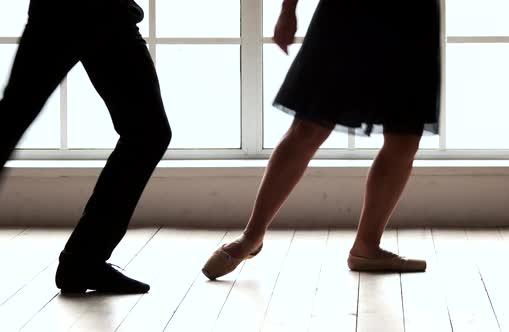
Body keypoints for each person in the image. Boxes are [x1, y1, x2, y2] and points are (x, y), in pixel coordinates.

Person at [202, 0, 441, 279]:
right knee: (309, 125)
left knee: (404, 138)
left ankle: (367, 246)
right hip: (347, 12)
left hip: (414, 16)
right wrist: (288, 10)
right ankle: (251, 236)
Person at [0, 0, 172, 293]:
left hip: (78, 10)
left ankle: (84, 261)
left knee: (11, 121)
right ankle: (83, 261)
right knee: (147, 133)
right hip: (99, 11)